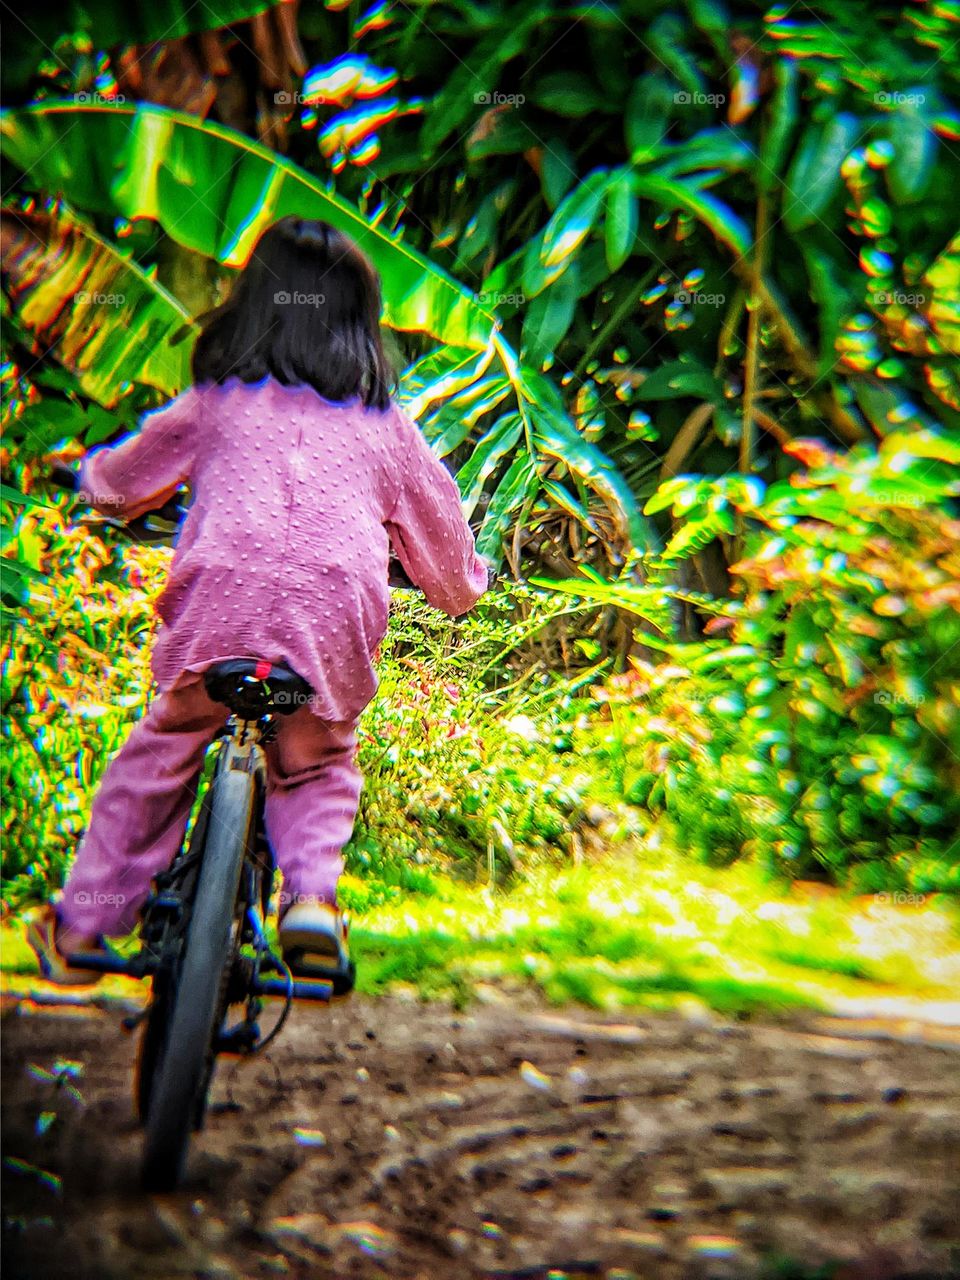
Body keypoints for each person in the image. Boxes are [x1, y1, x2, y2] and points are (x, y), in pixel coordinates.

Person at [27, 216, 490, 986]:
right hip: (326, 628)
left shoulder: (216, 403)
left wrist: (92, 485)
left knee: (162, 755)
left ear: (251, 306)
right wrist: (462, 589)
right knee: (313, 765)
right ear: (362, 326)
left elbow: (118, 485)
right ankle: (310, 901)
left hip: (218, 613)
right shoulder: (387, 429)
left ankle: (83, 927)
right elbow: (448, 570)